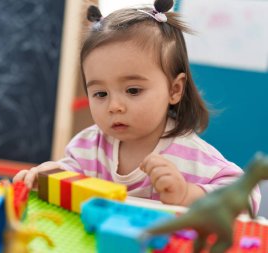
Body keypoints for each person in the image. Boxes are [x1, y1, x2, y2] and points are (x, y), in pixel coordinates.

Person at [14, 0, 261, 213]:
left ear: (174, 89)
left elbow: (247, 198)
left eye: (133, 90)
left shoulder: (191, 156)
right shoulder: (88, 145)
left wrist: (187, 194)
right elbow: (71, 172)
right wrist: (49, 174)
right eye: (100, 93)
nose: (115, 106)